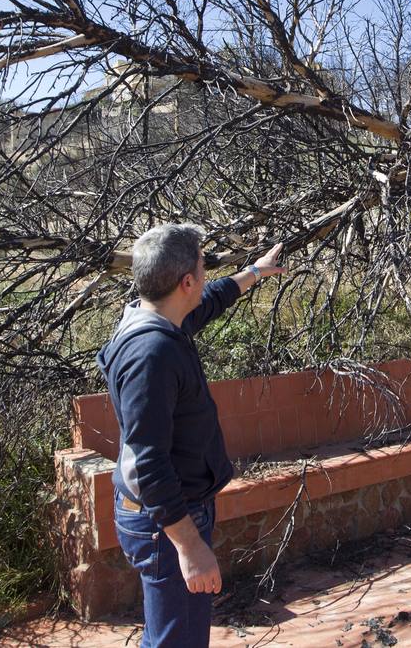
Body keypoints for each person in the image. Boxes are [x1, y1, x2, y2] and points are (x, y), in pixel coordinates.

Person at [97, 223, 284, 647]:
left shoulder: (154, 319)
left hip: (168, 513)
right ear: (185, 282)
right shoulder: (153, 354)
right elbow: (150, 464)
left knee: (176, 637)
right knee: (174, 642)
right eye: (203, 267)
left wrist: (254, 272)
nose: (206, 275)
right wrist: (189, 546)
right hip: (165, 520)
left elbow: (209, 301)